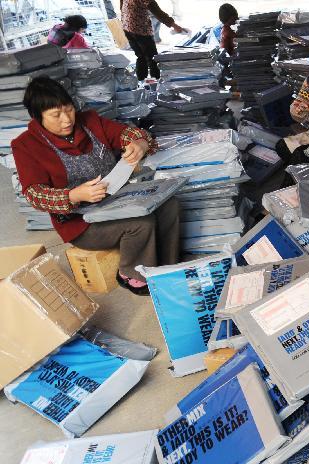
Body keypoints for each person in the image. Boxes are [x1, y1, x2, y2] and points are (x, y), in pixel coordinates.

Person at [11, 78, 177, 296]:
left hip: (117, 199)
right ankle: (131, 274)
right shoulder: (26, 145)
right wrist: (74, 195)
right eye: (55, 115)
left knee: (170, 205)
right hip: (80, 222)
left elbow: (128, 134)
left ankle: (168, 266)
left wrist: (140, 144)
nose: (66, 119)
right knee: (141, 223)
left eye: (69, 110)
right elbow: (35, 194)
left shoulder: (89, 121)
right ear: (38, 117)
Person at [121, 0, 186, 80]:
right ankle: (156, 84)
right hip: (140, 29)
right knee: (153, 59)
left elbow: (122, 5)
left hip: (127, 26)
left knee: (141, 56)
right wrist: (175, 26)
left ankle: (142, 81)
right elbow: (158, 13)